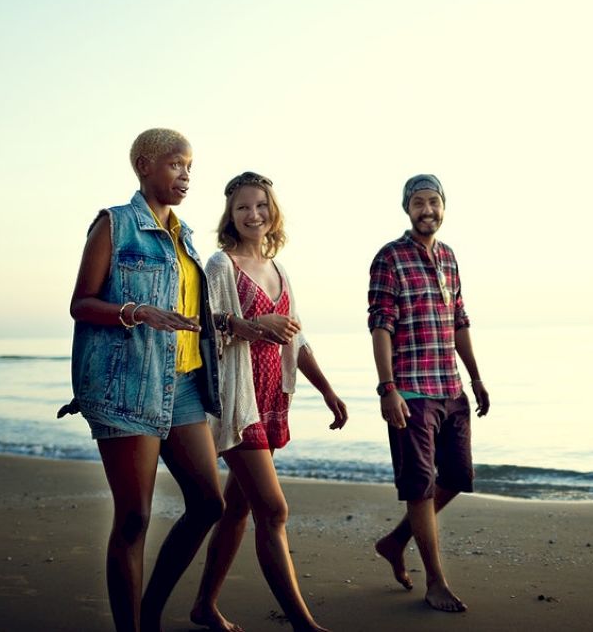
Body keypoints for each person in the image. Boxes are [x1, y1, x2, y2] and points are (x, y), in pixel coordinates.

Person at [64, 129, 224, 632]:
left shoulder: (186, 235)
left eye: (190, 167)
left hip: (183, 386)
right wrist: (136, 312)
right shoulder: (115, 225)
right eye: (176, 164)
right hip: (127, 386)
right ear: (144, 164)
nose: (186, 175)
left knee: (207, 504)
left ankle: (149, 611)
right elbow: (81, 304)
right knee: (133, 520)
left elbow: (197, 316)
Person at [191, 171, 348, 632]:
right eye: (242, 207)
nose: (252, 214)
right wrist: (255, 324)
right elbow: (207, 325)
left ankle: (204, 605)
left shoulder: (280, 271)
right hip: (239, 404)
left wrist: (327, 390)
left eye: (260, 205)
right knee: (274, 510)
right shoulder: (221, 265)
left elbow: (295, 341)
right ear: (230, 214)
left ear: (272, 211)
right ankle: (303, 624)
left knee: (239, 507)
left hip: (272, 400)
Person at [368, 174, 490, 613]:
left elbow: (460, 320)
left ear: (444, 207)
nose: (427, 210)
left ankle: (395, 541)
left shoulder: (450, 258)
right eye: (418, 202)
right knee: (420, 486)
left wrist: (475, 377)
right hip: (412, 391)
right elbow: (380, 325)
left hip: (450, 387)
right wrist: (388, 389)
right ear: (407, 208)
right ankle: (435, 582)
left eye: (434, 202)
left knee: (456, 477)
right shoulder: (390, 258)